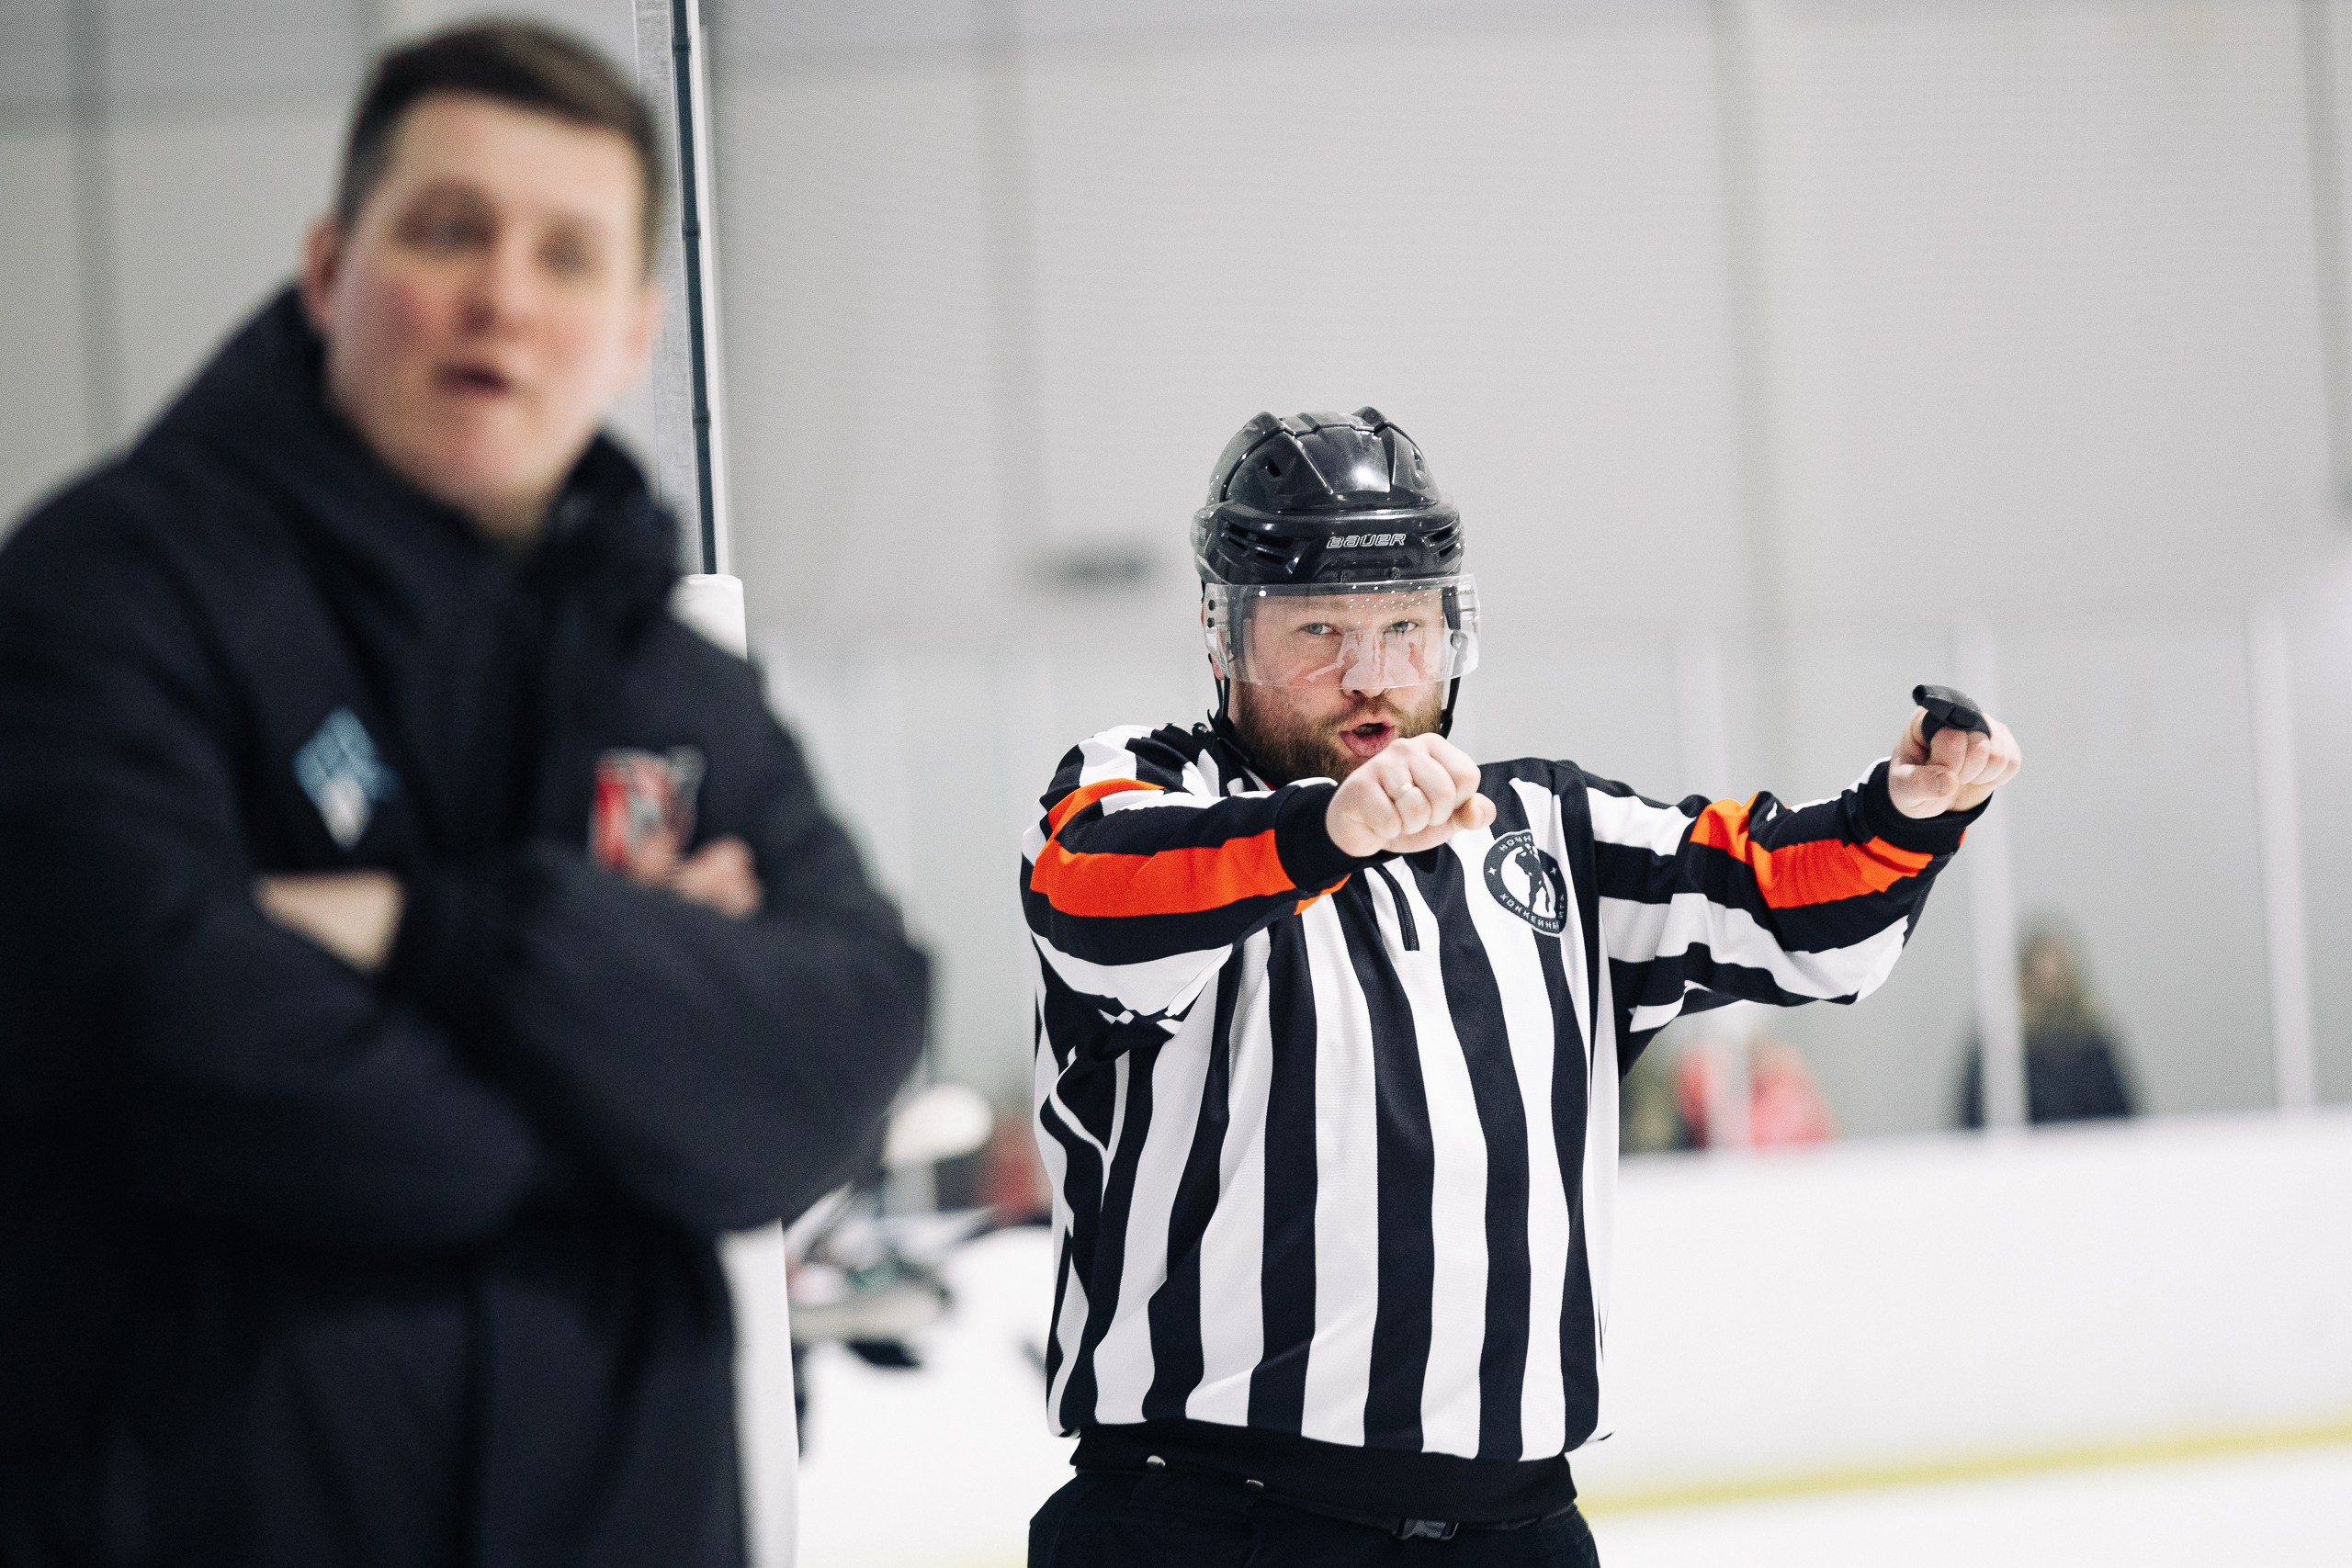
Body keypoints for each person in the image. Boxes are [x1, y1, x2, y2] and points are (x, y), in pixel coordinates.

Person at [0, 23, 926, 1568]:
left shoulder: (660, 667)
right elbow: (170, 1037)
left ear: (632, 331)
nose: (503, 293)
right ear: (326, 267)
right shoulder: (109, 594)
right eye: (447, 231)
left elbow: (844, 1043)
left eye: (565, 254)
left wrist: (429, 930)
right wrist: (649, 1076)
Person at [1020, 409, 2020, 1564]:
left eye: (1404, 625)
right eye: (1318, 631)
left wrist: (1904, 813)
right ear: (1224, 637)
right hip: (1210, 1520)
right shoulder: (1145, 790)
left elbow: (1788, 907)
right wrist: (1325, 830)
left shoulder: (1547, 830)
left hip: (1518, 1528)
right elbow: (1096, 899)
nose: (1370, 678)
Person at [1957, 921, 2136, 1126]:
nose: (2050, 988)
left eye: (2058, 979)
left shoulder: (2092, 1042)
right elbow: (1974, 1121)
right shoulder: (2001, 1048)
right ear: (2024, 979)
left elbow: (2122, 1118)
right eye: (2041, 978)